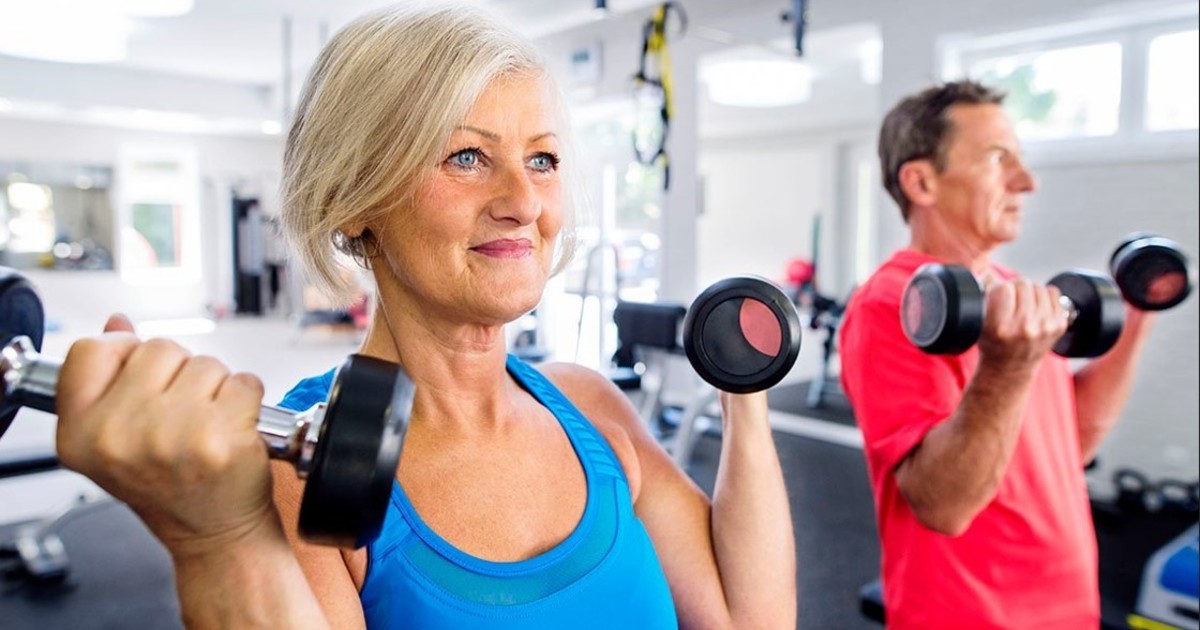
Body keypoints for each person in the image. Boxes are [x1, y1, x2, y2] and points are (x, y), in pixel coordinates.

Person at [52, 4, 796, 629]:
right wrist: (215, 540)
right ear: (355, 199)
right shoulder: (299, 472)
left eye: (541, 160)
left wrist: (746, 390)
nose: (524, 202)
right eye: (467, 156)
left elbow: (750, 618)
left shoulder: (593, 409)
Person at [838, 79, 1159, 629]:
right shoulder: (892, 305)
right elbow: (943, 506)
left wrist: (1136, 314)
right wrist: (1008, 366)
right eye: (996, 158)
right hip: (970, 614)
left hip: (1067, 604)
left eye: (1020, 159)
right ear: (921, 182)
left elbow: (1072, 440)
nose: (1026, 181)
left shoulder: (1011, 290)